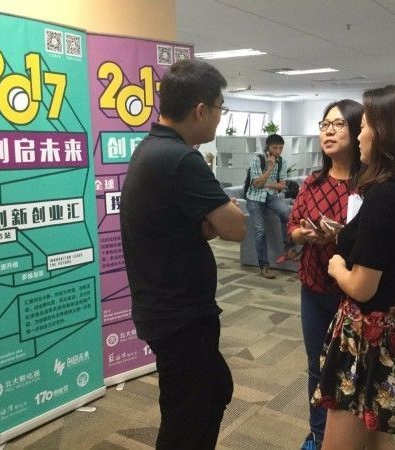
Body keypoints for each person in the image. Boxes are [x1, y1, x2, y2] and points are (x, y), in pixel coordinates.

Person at [120, 59, 245, 450]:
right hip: (180, 315)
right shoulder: (181, 158)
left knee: (213, 391)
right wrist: (222, 212)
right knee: (187, 414)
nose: (221, 118)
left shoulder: (153, 149)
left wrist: (211, 220)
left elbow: (192, 225)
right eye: (221, 109)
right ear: (201, 110)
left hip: (168, 308)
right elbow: (236, 228)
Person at [313, 85, 395, 450]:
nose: (359, 135)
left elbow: (362, 286)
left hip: (368, 337)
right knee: (375, 436)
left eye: (365, 125)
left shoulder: (385, 195)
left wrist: (337, 266)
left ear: (387, 133)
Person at [288, 100, 363, 450]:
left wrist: (340, 236)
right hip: (314, 289)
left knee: (352, 371)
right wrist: (304, 234)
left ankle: (351, 438)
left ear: (358, 130)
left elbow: (377, 241)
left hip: (354, 294)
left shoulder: (369, 186)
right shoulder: (312, 182)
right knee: (316, 366)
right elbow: (292, 228)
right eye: (324, 125)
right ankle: (319, 435)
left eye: (338, 124)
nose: (329, 132)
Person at [246, 133, 294, 278]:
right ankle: (264, 266)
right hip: (254, 198)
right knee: (260, 230)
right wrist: (270, 168)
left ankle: (288, 248)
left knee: (287, 213)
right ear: (268, 147)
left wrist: (264, 184)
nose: (278, 151)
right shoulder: (257, 159)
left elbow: (282, 186)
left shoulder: (282, 162)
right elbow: (256, 184)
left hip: (271, 197)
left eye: (280, 148)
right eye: (275, 148)